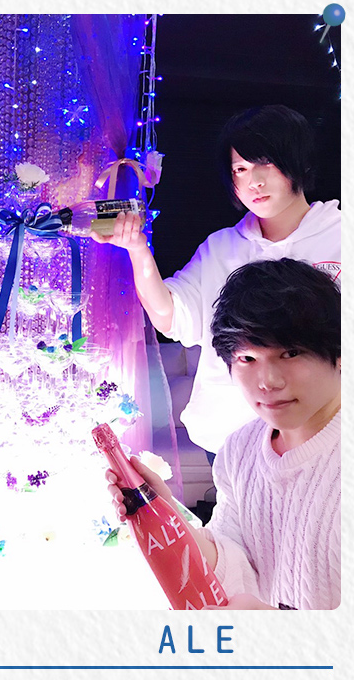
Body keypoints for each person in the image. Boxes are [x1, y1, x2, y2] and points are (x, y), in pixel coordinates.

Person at [92, 105, 340, 457]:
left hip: (325, 436)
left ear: (298, 162)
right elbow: (171, 316)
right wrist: (137, 249)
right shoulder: (222, 248)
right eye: (241, 169)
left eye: (266, 163)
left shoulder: (339, 236)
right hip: (229, 437)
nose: (254, 181)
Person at [107, 259, 340, 610]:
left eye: (290, 353)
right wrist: (167, 513)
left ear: (339, 352)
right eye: (247, 359)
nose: (268, 381)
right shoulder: (240, 449)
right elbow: (236, 563)